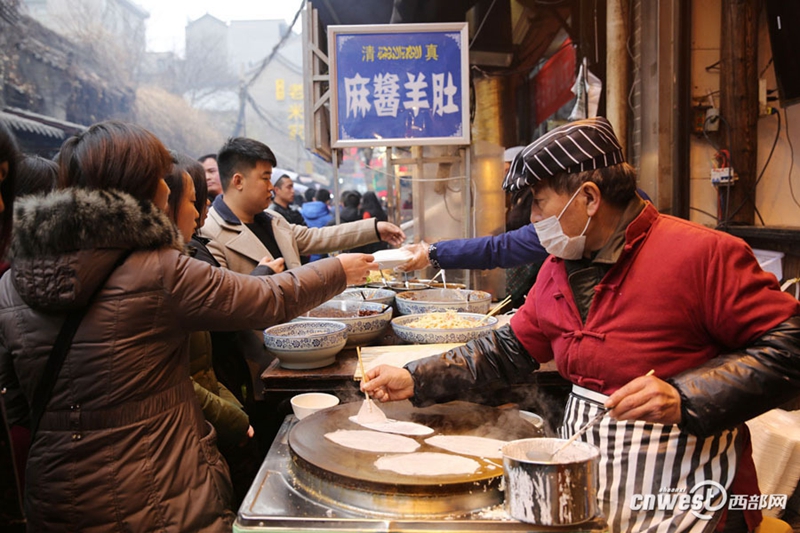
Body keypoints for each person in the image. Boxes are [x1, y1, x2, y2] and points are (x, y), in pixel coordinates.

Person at [364, 117, 800, 532]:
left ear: (589, 198)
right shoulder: (559, 266)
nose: (533, 219)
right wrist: (417, 377)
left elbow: (791, 346)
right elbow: (508, 349)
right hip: (589, 485)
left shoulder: (702, 255)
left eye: (538, 203)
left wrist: (686, 395)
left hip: (692, 498)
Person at [0, 121, 378, 531]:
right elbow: (265, 299)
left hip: (57, 493)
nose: (169, 186)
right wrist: (338, 270)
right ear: (140, 187)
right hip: (154, 487)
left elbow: (14, 401)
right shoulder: (156, 269)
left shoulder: (12, 283)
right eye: (160, 176)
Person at [200, 137, 405, 275]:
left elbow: (320, 237)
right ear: (238, 181)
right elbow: (226, 302)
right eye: (265, 178)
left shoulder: (274, 221)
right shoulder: (209, 234)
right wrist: (336, 270)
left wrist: (374, 229)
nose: (271, 187)